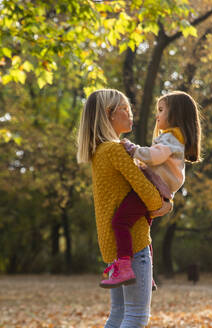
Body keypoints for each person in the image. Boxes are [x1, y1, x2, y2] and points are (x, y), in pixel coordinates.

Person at [76, 89, 171, 327]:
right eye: (125, 109)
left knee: (118, 314)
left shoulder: (99, 152)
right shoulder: (115, 150)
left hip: (116, 250)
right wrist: (166, 204)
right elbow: (149, 197)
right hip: (134, 245)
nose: (131, 114)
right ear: (109, 114)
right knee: (136, 316)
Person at [99, 91, 202, 290]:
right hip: (159, 187)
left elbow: (155, 156)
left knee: (120, 222)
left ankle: (124, 266)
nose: (157, 115)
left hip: (154, 185)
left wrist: (133, 149)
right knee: (143, 231)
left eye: (161, 110)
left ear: (176, 115)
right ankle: (148, 275)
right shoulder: (174, 139)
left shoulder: (170, 139)